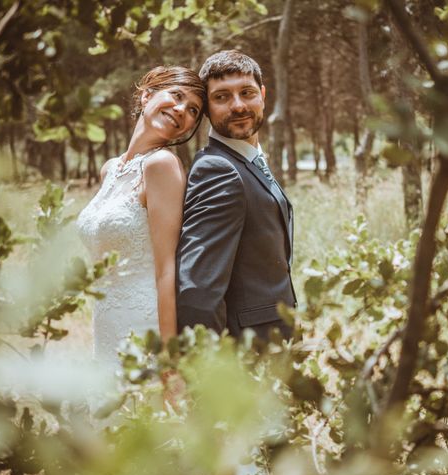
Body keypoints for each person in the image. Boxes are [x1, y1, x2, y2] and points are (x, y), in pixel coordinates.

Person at [77, 65, 205, 367]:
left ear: (188, 128)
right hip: (106, 324)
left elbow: (167, 270)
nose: (181, 110)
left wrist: (169, 360)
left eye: (193, 110)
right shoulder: (110, 169)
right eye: (176, 95)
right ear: (146, 95)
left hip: (143, 326)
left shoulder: (162, 166)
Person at [176, 50, 296, 341]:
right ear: (206, 108)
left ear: (263, 95)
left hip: (272, 343)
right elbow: (197, 290)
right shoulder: (218, 169)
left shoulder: (248, 160)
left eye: (247, 92)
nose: (238, 105)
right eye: (222, 97)